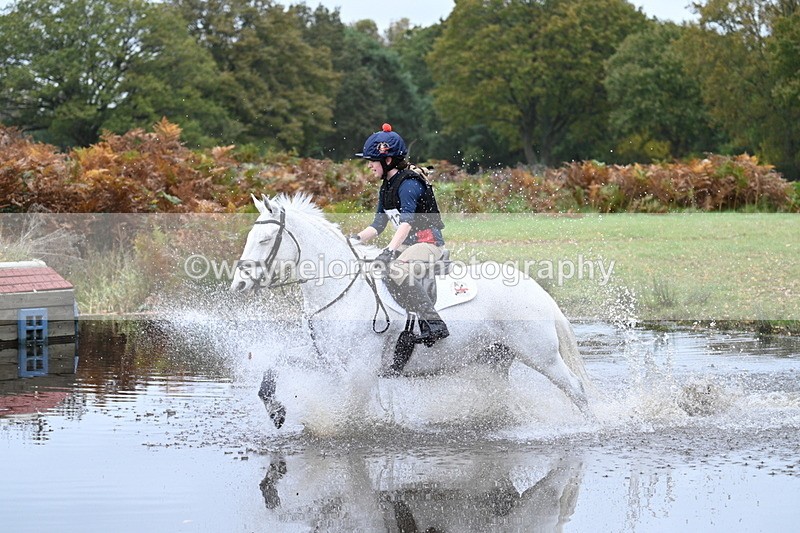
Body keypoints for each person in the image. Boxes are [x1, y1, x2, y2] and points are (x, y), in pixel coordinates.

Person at [350, 123, 449, 351]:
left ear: (387, 160)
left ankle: (434, 323)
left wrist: (389, 251)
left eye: (372, 162)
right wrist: (352, 240)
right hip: (407, 244)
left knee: (396, 269)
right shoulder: (387, 188)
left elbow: (406, 222)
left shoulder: (409, 184)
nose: (369, 167)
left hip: (428, 243)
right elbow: (377, 225)